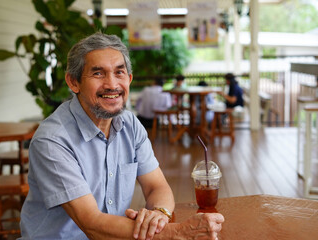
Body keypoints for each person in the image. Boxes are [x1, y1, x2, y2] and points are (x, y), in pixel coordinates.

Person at [19, 33, 224, 240]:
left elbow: (157, 187)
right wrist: (178, 233)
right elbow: (92, 224)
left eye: (119, 73)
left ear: (129, 79)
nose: (112, 84)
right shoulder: (53, 140)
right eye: (98, 74)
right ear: (74, 82)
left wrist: (157, 216)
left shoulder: (130, 124)